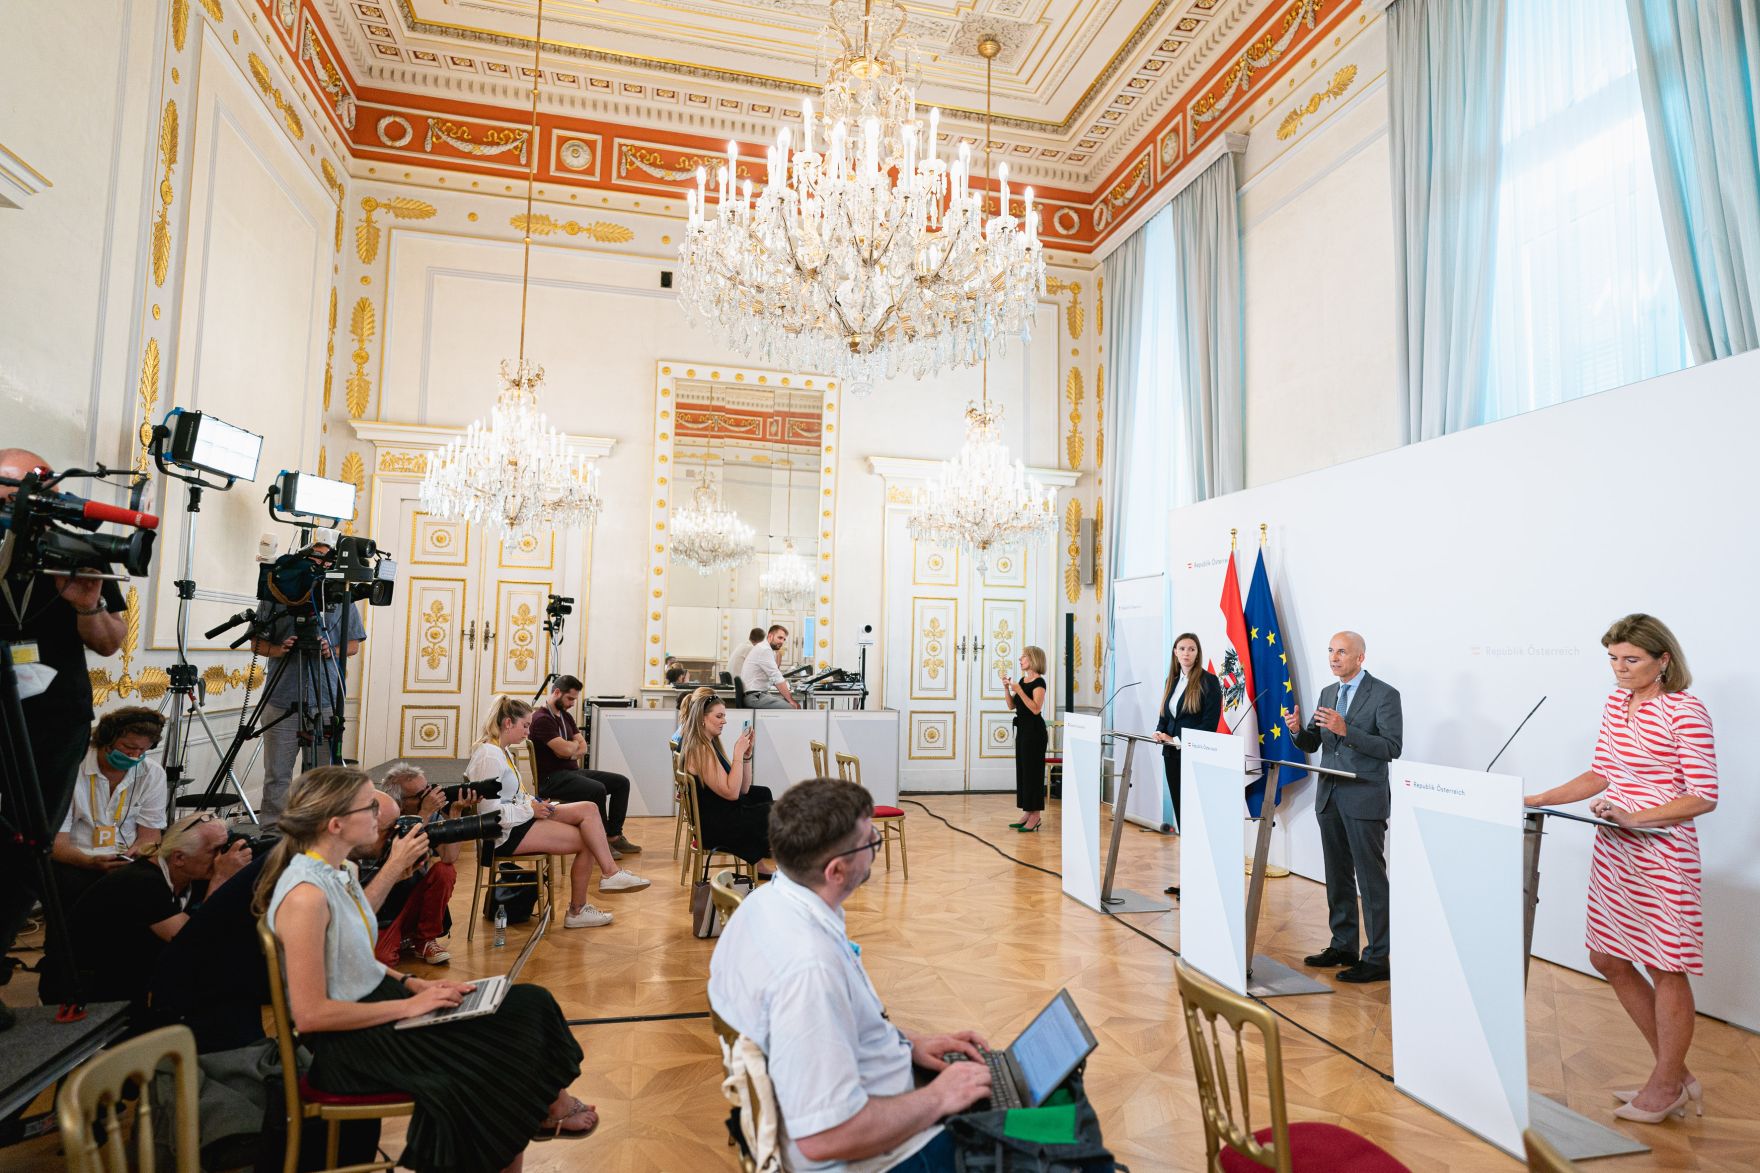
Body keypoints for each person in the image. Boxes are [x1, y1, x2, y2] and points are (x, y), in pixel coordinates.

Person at [257, 766, 596, 1168]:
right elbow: (311, 1016)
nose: (381, 817)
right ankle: (524, 1122)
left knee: (529, 1003)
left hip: (379, 1007)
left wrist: (412, 984)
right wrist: (408, 1005)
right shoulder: (304, 896)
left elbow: (352, 956)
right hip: (355, 1045)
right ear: (336, 825)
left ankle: (539, 1115)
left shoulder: (338, 871)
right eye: (369, 808)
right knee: (494, 1060)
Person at [709, 779, 992, 1172]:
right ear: (836, 870)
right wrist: (940, 1097)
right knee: (1055, 1139)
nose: (876, 844)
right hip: (872, 1156)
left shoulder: (765, 902)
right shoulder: (809, 969)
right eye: (869, 841)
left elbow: (828, 1030)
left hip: (870, 1107)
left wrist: (908, 1043)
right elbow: (825, 1138)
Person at [1523, 614, 1717, 1125]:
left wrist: (1634, 816)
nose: (1620, 668)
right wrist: (1538, 798)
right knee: (1607, 956)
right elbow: (1602, 773)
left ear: (1663, 660)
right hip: (1616, 850)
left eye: (1631, 659)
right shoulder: (1616, 703)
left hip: (1663, 852)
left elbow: (1703, 796)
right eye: (1613, 658)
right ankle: (1675, 1074)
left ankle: (1666, 1082)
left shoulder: (1685, 710)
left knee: (1666, 965)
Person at [0, 449, 127, 973]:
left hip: (55, 720)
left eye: (26, 492)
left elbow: (110, 641)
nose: (14, 503)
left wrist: (86, 604)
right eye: (5, 493)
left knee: (31, 844)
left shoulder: (80, 549)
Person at [466, 696, 649, 930]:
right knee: (589, 840)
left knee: (589, 808)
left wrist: (534, 802)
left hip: (519, 819)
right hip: (502, 834)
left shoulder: (501, 751)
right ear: (508, 723)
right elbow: (488, 813)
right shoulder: (489, 756)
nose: (528, 732)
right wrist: (530, 809)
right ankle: (578, 909)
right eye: (525, 726)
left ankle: (610, 874)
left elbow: (513, 795)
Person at [1283, 631, 1402, 984]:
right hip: (1330, 796)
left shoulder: (1385, 694)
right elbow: (1313, 741)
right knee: (1337, 876)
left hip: (1364, 798)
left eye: (1342, 652)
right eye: (1331, 651)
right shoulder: (1327, 693)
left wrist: (1346, 729)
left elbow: (1392, 748)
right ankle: (1343, 945)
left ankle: (1377, 957)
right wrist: (1296, 731)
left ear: (1360, 658)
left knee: (1370, 880)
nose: (1334, 658)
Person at [59, 812, 253, 1006]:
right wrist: (222, 879)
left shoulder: (191, 876)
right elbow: (194, 942)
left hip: (127, 976)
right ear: (179, 858)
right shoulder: (142, 883)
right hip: (84, 992)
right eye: (215, 850)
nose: (222, 858)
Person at [250, 534, 366, 826]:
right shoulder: (277, 594)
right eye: (315, 559)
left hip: (325, 699)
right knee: (277, 775)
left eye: (326, 561)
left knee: (323, 777)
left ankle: (320, 829)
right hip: (282, 698)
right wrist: (280, 649)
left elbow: (353, 645)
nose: (319, 566)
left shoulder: (342, 597)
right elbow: (256, 644)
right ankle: (273, 832)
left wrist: (331, 650)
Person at [51, 707, 170, 911]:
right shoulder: (72, 769)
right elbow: (57, 844)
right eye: (128, 747)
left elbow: (150, 836)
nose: (135, 756)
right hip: (76, 859)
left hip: (125, 860)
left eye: (142, 750)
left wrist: (136, 854)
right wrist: (90, 862)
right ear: (106, 739)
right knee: (77, 890)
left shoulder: (152, 774)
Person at [528, 675, 641, 855]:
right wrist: (570, 748)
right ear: (556, 692)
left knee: (621, 782)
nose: (572, 703)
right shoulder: (541, 719)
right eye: (570, 698)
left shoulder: (565, 716)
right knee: (597, 789)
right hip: (552, 779)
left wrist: (569, 749)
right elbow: (566, 749)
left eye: (574, 699)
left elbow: (582, 746)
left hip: (571, 772)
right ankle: (600, 841)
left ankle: (614, 836)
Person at [1152, 633, 1222, 897]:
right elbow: (1166, 715)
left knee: (1195, 820)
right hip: (1171, 756)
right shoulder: (1172, 680)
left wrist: (1178, 740)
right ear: (1175, 652)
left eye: (1191, 649)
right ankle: (1187, 879)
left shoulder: (1208, 681)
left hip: (1193, 757)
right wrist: (1160, 732)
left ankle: (1199, 881)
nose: (1186, 653)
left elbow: (1209, 725)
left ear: (1197, 652)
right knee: (1183, 819)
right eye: (1181, 648)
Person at [359, 779, 457, 966]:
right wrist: (424, 814)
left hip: (412, 899)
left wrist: (454, 813)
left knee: (444, 871)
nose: (429, 797)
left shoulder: (430, 816)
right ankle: (401, 938)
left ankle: (424, 939)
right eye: (421, 795)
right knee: (383, 959)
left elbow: (449, 857)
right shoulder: (375, 826)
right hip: (383, 910)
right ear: (400, 803)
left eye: (428, 790)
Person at [677, 690, 774, 872]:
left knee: (762, 793)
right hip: (715, 827)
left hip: (720, 814)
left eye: (724, 716)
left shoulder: (709, 744)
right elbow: (731, 793)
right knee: (774, 811)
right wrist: (737, 753)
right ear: (702, 718)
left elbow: (743, 789)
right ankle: (785, 861)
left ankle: (760, 861)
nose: (724, 721)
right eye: (719, 716)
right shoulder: (700, 750)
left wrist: (745, 757)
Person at [1001, 646, 1048, 833]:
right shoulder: (1022, 681)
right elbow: (1011, 706)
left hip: (1035, 733)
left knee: (1033, 773)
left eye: (1024, 657)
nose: (1020, 659)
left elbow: (1036, 709)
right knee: (1024, 772)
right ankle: (1028, 812)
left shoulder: (1039, 682)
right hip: (1023, 731)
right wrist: (1007, 688)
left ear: (1033, 659)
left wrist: (1019, 690)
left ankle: (1036, 816)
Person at [739, 624, 799, 709]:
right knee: (791, 707)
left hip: (758, 694)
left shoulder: (767, 648)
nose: (782, 642)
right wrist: (791, 700)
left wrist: (778, 653)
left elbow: (775, 670)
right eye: (780, 638)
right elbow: (776, 677)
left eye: (784, 639)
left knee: (788, 702)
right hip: (754, 697)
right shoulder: (764, 649)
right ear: (770, 636)